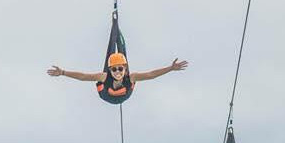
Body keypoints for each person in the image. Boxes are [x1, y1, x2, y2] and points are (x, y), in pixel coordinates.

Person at [47, 53, 188, 104]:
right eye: (114, 69)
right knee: (102, 83)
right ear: (110, 70)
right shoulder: (103, 76)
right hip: (106, 96)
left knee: (130, 84)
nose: (117, 72)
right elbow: (83, 77)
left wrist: (170, 68)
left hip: (124, 95)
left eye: (120, 68)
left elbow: (151, 75)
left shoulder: (131, 77)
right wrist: (63, 72)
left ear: (125, 69)